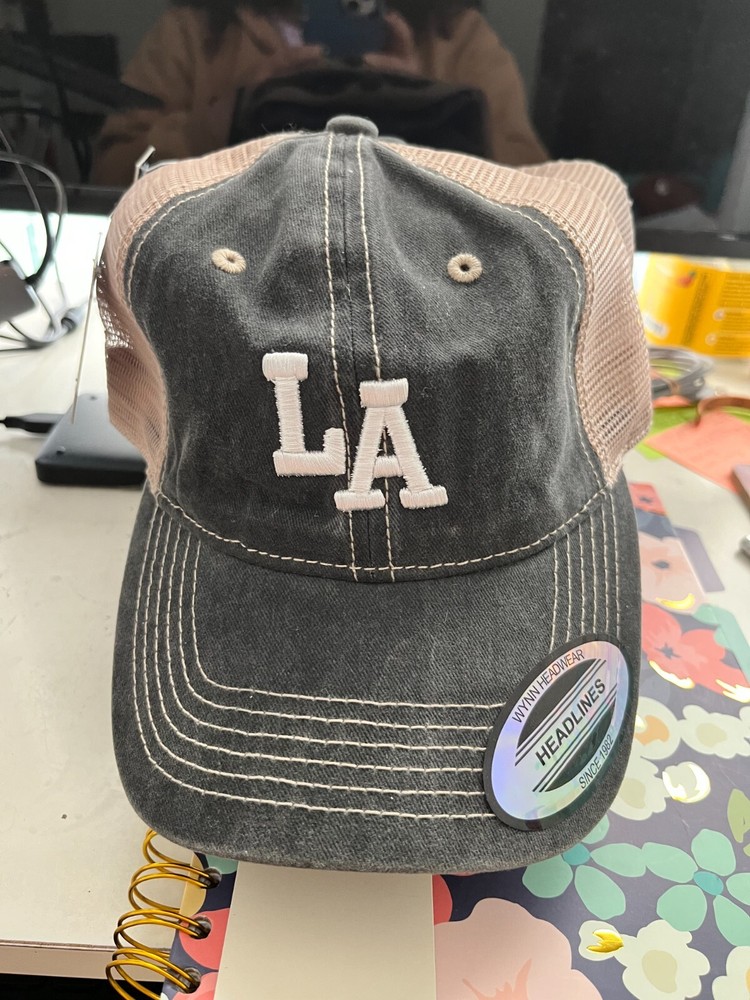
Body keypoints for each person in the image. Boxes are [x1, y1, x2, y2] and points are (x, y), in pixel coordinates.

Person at [92, 0, 546, 186]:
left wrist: (428, 110)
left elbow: (535, 190)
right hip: (233, 271)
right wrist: (226, 115)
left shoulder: (455, 36)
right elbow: (112, 176)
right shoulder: (198, 31)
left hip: (421, 275)